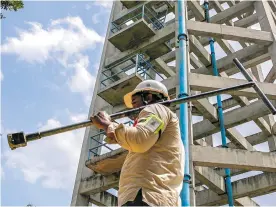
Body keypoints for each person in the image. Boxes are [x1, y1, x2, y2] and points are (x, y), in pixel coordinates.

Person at [90, 80, 185, 206]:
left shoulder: (156, 109)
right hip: (153, 196)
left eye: (135, 102)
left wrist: (108, 125)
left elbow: (140, 139)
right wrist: (111, 129)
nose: (134, 108)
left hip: (145, 194)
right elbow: (140, 138)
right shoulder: (165, 122)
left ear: (149, 97)